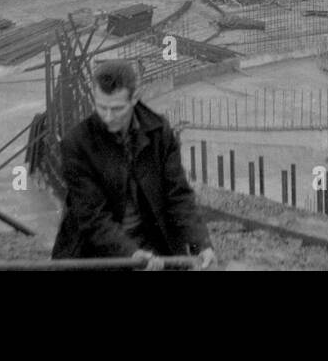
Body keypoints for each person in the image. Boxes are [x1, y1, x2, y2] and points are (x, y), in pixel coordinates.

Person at [52, 61, 215, 268]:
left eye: (117, 108)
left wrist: (201, 243)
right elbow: (93, 218)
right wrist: (132, 253)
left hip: (152, 244)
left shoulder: (159, 131)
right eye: (101, 107)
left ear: (135, 98)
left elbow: (178, 195)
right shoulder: (76, 143)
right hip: (95, 252)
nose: (108, 117)